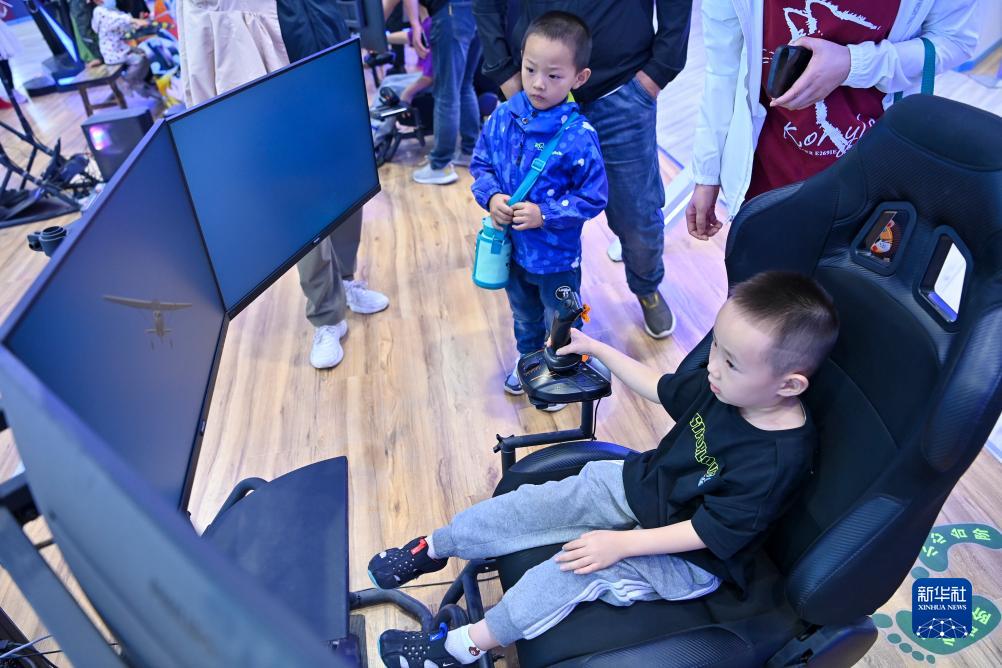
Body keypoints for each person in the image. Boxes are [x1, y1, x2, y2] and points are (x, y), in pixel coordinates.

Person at [368, 271, 839, 666]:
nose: (712, 367)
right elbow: (661, 386)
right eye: (715, 348)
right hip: (647, 486)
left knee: (569, 572)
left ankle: (461, 648)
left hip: (691, 557)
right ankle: (434, 547)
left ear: (789, 385)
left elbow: (707, 532)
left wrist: (619, 544)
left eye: (730, 363)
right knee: (534, 503)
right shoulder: (727, 387)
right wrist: (595, 348)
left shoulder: (776, 460)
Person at [176, 0, 389, 370]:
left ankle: (346, 280)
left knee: (346, 183)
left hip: (329, 63)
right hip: (273, 81)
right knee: (300, 203)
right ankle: (326, 315)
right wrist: (206, 112)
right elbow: (198, 33)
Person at [475, 0, 693, 339]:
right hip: (535, 96)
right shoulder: (520, 98)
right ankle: (535, 328)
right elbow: (483, 166)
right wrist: (504, 72)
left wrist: (660, 70)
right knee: (522, 210)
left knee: (636, 214)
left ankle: (646, 285)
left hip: (621, 88)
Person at [686, 0, 978, 241]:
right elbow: (723, 67)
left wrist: (854, 63)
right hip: (764, 172)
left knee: (839, 291)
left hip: (867, 181)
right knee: (757, 287)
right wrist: (707, 174)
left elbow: (954, 41)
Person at [470, 11, 606, 411]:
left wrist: (545, 214)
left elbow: (594, 196)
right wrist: (492, 197)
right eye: (530, 69)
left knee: (562, 317)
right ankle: (529, 362)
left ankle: (560, 373)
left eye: (553, 75)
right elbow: (481, 164)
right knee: (523, 314)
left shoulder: (580, 137)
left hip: (557, 258)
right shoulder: (503, 116)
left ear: (579, 78)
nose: (537, 83)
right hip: (513, 252)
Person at [384, 0, 482, 185]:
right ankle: (469, 152)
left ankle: (440, 166)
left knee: (446, 93)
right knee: (464, 86)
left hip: (450, 12)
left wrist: (414, 23)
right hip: (477, 10)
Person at [91, 0, 161, 99]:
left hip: (121, 48)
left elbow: (124, 24)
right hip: (113, 52)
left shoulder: (113, 11)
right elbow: (117, 19)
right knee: (139, 59)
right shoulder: (99, 11)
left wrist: (136, 24)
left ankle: (135, 81)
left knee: (144, 53)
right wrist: (134, 20)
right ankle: (129, 82)